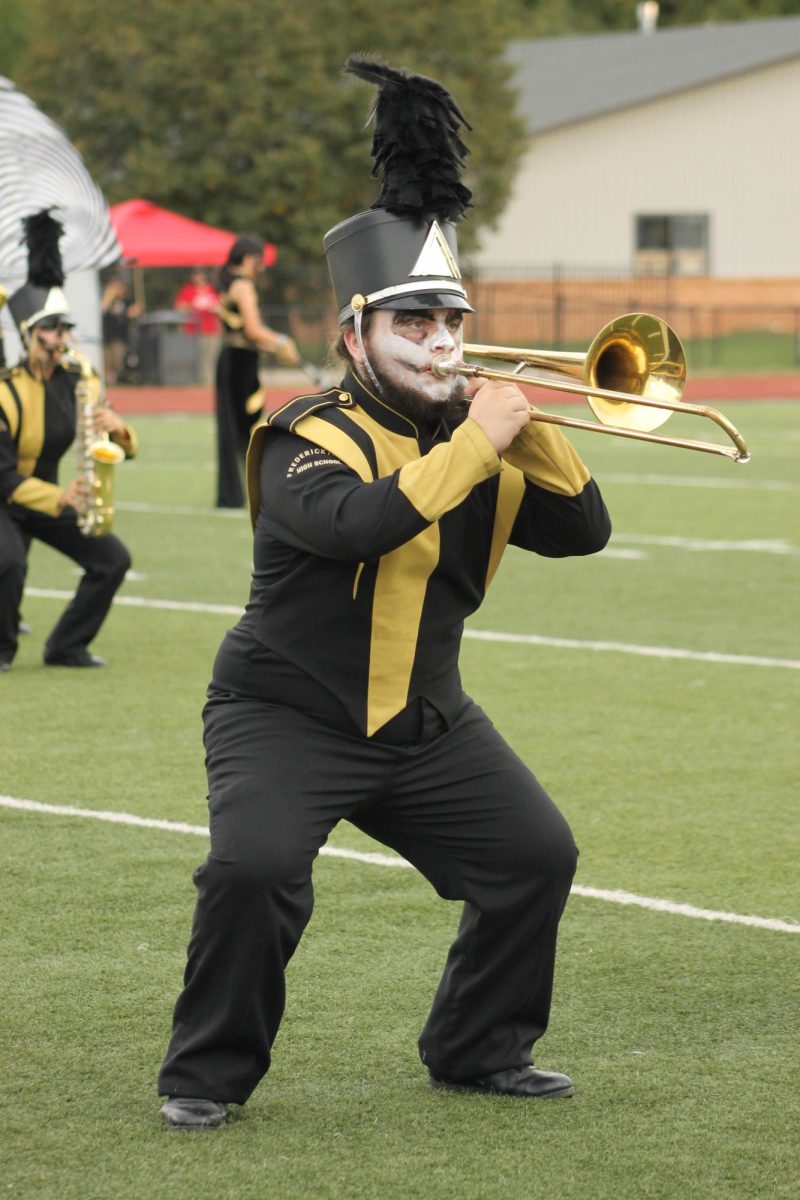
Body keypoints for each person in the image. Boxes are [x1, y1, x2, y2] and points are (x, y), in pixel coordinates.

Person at [157, 59, 611, 1131]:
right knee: (253, 870)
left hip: (425, 719)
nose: (442, 344)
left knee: (536, 858)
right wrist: (477, 440)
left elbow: (582, 534)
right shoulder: (303, 432)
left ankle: (476, 1049)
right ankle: (204, 1077)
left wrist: (530, 422)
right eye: (412, 325)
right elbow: (362, 521)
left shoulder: (481, 432)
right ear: (353, 336)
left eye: (450, 322)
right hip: (284, 711)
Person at [0, 212, 137, 672]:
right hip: (7, 495)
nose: (62, 339)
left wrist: (116, 428)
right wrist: (61, 496)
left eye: (65, 328)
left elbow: (113, 442)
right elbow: (3, 478)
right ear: (28, 334)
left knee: (112, 560)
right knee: (9, 564)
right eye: (52, 330)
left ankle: (66, 647)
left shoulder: (78, 377)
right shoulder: (5, 391)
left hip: (52, 495)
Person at [214, 235, 300, 508]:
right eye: (259, 260)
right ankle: (261, 490)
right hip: (242, 362)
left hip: (231, 359)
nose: (261, 266)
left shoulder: (229, 284)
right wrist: (281, 342)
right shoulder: (244, 286)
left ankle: (234, 495)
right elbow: (253, 330)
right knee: (251, 429)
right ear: (250, 258)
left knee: (233, 431)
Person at [174, 269, 221, 388]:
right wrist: (193, 307)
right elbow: (179, 306)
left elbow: (220, 306)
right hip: (193, 330)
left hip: (211, 329)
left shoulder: (212, 289)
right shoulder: (187, 290)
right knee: (199, 356)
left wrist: (214, 308)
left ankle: (210, 381)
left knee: (212, 356)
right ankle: (199, 380)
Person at [101, 272, 141, 384]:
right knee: (107, 361)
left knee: (118, 360)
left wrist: (134, 312)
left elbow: (133, 313)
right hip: (107, 335)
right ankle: (110, 380)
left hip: (120, 336)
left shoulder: (127, 300)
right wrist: (109, 297)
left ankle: (117, 379)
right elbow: (102, 309)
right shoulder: (107, 299)